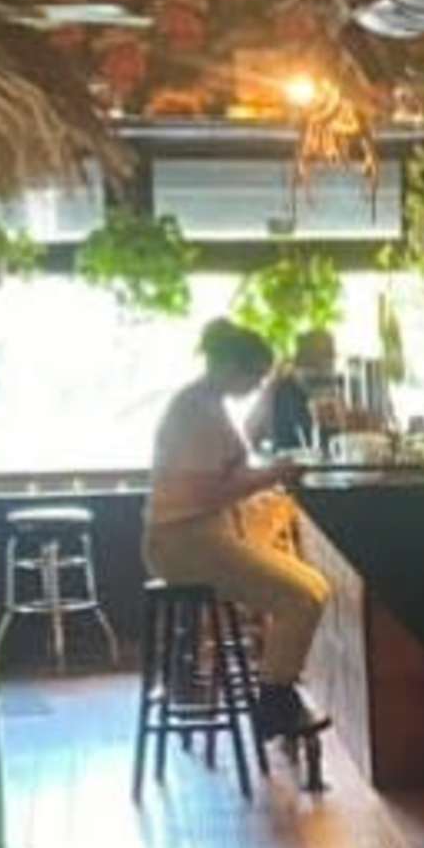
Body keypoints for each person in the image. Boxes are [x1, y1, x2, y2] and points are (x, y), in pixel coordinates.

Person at [144, 319, 330, 746]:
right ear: (230, 367)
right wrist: (273, 475)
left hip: (200, 537)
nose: (258, 384)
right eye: (255, 376)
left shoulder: (204, 405)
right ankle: (274, 703)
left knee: (313, 588)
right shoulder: (193, 411)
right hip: (185, 542)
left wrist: (268, 475)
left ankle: (277, 696)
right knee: (301, 597)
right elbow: (206, 491)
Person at [255, 325, 338, 458]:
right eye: (327, 352)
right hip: (294, 456)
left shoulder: (283, 381)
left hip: (295, 455)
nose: (333, 356)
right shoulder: (285, 383)